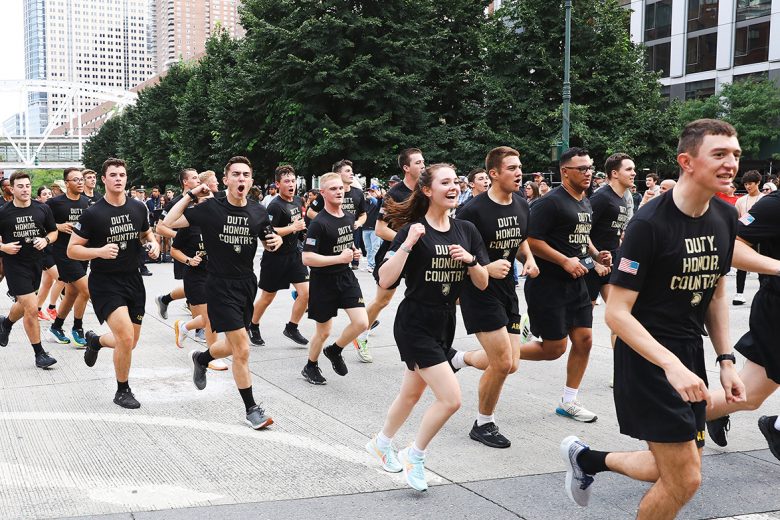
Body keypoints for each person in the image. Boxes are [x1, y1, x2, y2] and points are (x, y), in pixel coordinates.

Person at [561, 119, 745, 518]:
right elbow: (616, 313)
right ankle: (585, 459)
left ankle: (586, 459)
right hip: (648, 360)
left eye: (735, 154)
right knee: (685, 479)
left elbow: (715, 293)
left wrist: (726, 360)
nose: (731, 163)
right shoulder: (648, 224)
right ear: (686, 162)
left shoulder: (725, 216)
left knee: (675, 467)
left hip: (689, 354)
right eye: (718, 154)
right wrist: (671, 366)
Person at [367, 163, 489, 491]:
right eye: (444, 182)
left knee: (411, 393)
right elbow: (385, 279)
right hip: (415, 321)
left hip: (445, 320)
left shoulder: (466, 230)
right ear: (427, 190)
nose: (453, 187)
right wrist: (407, 244)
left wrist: (471, 260)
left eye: (455, 181)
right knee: (451, 399)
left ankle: (381, 442)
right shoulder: (413, 230)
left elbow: (482, 282)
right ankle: (415, 454)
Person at [163, 156, 283, 429]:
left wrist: (275, 239)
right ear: (226, 180)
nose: (241, 178)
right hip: (218, 285)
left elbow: (268, 237)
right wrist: (192, 194)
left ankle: (201, 358)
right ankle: (252, 410)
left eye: (246, 175)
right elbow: (169, 221)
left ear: (251, 182)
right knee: (242, 348)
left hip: (246, 284)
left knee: (231, 345)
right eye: (236, 174)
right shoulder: (210, 208)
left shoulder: (258, 211)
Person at [450, 147, 538, 448]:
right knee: (501, 363)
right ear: (494, 174)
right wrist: (484, 267)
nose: (519, 173)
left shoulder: (522, 204)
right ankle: (483, 424)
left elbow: (521, 240)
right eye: (511, 168)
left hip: (507, 289)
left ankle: (458, 358)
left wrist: (529, 259)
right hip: (478, 290)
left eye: (519, 167)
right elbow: (454, 252)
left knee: (511, 364)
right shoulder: (472, 211)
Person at [524, 147, 611, 422]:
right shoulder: (550, 202)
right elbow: (530, 240)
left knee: (584, 340)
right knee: (554, 350)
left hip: (578, 283)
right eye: (582, 169)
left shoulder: (585, 201)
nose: (588, 173)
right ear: (565, 172)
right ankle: (499, 354)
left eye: (590, 168)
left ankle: (568, 401)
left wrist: (595, 255)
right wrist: (563, 261)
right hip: (548, 285)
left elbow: (582, 235)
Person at [72, 158, 161, 409]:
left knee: (130, 341)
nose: (118, 179)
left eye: (122, 174)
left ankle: (96, 341)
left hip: (133, 279)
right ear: (104, 179)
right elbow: (72, 249)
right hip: (105, 282)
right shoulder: (92, 214)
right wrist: (98, 251)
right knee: (125, 337)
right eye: (113, 175)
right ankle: (122, 391)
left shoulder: (138, 207)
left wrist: (153, 243)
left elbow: (145, 232)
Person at [705, 176, 780, 461]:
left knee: (749, 396)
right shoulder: (774, 205)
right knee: (748, 395)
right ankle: (662, 425)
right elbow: (730, 245)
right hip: (776, 309)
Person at [354, 149, 425, 362]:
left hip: (421, 254)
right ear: (406, 168)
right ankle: (361, 336)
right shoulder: (394, 194)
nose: (423, 165)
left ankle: (424, 344)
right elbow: (380, 230)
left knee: (424, 297)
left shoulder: (426, 190)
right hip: (394, 254)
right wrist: (407, 241)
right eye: (418, 162)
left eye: (423, 161)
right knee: (383, 300)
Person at [300, 172, 368, 384]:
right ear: (322, 193)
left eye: (340, 188)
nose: (339, 192)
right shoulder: (318, 223)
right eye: (333, 189)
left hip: (346, 277)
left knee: (362, 323)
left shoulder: (349, 216)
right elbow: (306, 258)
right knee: (324, 332)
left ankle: (335, 350)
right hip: (323, 281)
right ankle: (310, 366)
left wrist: (353, 251)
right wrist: (338, 258)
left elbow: (346, 242)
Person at [0, 171, 59, 368]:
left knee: (25, 303)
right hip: (14, 265)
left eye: (27, 185)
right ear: (12, 189)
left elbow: (53, 231)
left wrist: (46, 240)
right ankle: (39, 354)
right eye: (20, 186)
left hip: (35, 263)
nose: (25, 189)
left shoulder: (42, 208)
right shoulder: (3, 212)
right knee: (32, 308)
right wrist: (3, 247)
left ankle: (5, 324)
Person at [248, 165, 310, 348]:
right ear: (277, 184)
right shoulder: (275, 206)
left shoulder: (297, 200)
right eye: (287, 181)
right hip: (275, 257)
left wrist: (300, 233)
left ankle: (292, 327)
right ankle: (253, 325)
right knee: (267, 298)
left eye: (293, 181)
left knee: (306, 293)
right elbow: (268, 231)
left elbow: (296, 224)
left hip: (294, 255)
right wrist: (292, 228)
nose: (291, 185)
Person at [170, 190, 227, 370]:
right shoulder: (189, 224)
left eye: (211, 199)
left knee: (214, 315)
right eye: (204, 200)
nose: (208, 203)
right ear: (196, 204)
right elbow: (174, 250)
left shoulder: (220, 222)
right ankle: (212, 355)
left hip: (215, 275)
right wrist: (188, 260)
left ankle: (184, 327)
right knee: (210, 318)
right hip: (196, 276)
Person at [45, 167, 91, 347]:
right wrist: (58, 226)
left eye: (81, 179)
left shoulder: (86, 202)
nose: (80, 182)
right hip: (63, 252)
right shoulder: (54, 203)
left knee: (72, 293)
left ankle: (56, 327)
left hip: (82, 252)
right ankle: (77, 329)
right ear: (66, 183)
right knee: (86, 291)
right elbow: (40, 223)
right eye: (76, 180)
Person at [155, 169, 201, 320]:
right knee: (194, 287)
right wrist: (182, 236)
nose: (198, 180)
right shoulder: (175, 203)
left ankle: (165, 299)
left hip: (202, 249)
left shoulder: (202, 199)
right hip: (184, 251)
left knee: (196, 287)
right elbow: (160, 228)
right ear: (185, 182)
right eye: (194, 178)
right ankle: (198, 325)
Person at [732, 170, 763, 305]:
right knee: (742, 265)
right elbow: (738, 218)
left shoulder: (764, 199)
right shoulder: (740, 200)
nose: (747, 187)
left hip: (761, 236)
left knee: (762, 266)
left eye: (750, 183)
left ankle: (763, 292)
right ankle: (739, 293)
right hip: (745, 235)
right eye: (745, 184)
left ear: (758, 183)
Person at [34, 186, 66, 321]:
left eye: (49, 194)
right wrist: (59, 226)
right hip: (43, 251)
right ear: (39, 198)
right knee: (62, 279)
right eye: (44, 194)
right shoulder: (37, 211)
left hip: (54, 250)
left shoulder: (52, 210)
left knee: (47, 283)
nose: (48, 196)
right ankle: (51, 308)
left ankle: (37, 309)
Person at [362, 185, 382, 273]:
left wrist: (372, 198)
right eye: (369, 191)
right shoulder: (366, 202)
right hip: (365, 227)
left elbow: (379, 205)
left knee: (375, 247)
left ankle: (375, 264)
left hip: (374, 228)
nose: (370, 193)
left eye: (373, 191)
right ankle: (370, 264)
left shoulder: (378, 201)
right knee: (368, 248)